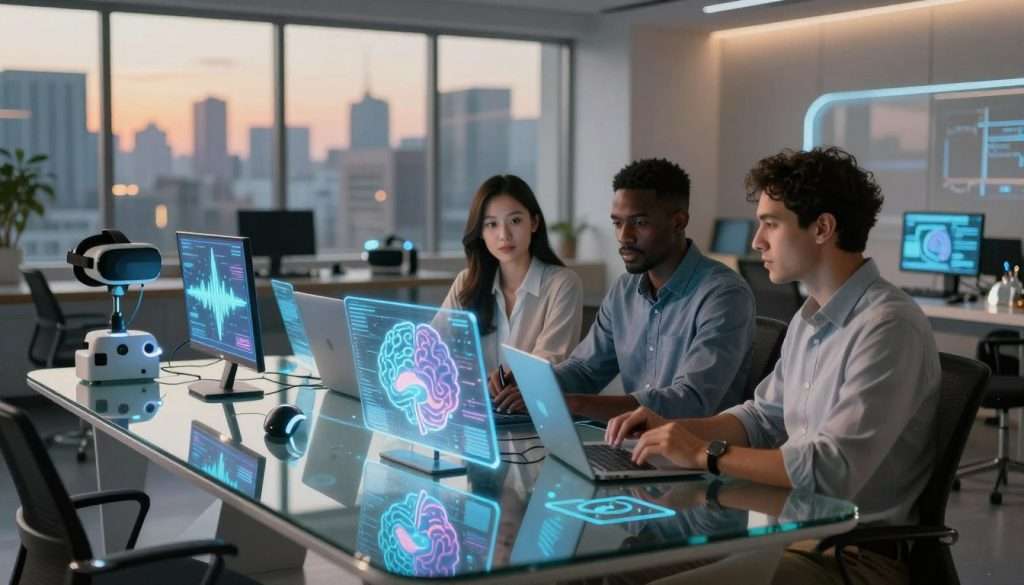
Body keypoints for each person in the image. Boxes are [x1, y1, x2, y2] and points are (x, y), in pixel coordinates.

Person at [606, 147, 941, 585]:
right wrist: (676, 429)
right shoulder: (809, 318)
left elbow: (829, 471)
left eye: (770, 224)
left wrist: (702, 454)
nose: (756, 241)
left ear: (822, 228)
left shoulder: (888, 326)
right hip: (783, 534)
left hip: (850, 556)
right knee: (615, 569)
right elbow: (763, 417)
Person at [494, 158, 755, 420]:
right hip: (633, 445)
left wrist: (566, 403)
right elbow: (586, 370)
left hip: (695, 453)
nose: (624, 236)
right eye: (618, 223)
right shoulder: (625, 290)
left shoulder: (724, 295)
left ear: (678, 221)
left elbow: (691, 400)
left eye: (639, 223)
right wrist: (533, 382)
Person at [441, 174, 582, 403]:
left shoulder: (562, 283)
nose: (504, 235)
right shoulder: (466, 282)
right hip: (473, 408)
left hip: (533, 414)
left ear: (534, 223)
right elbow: (437, 348)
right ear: (481, 232)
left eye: (515, 221)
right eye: (491, 224)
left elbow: (550, 363)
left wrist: (501, 381)